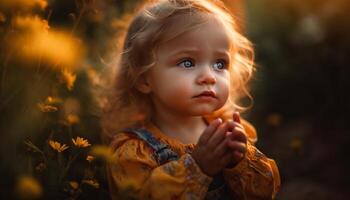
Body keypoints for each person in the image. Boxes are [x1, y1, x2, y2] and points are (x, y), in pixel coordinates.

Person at [102, 0, 280, 199]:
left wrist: (239, 162)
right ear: (144, 78)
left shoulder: (228, 132)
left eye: (220, 64)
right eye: (187, 62)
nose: (210, 76)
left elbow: (264, 194)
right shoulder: (135, 152)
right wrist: (197, 167)